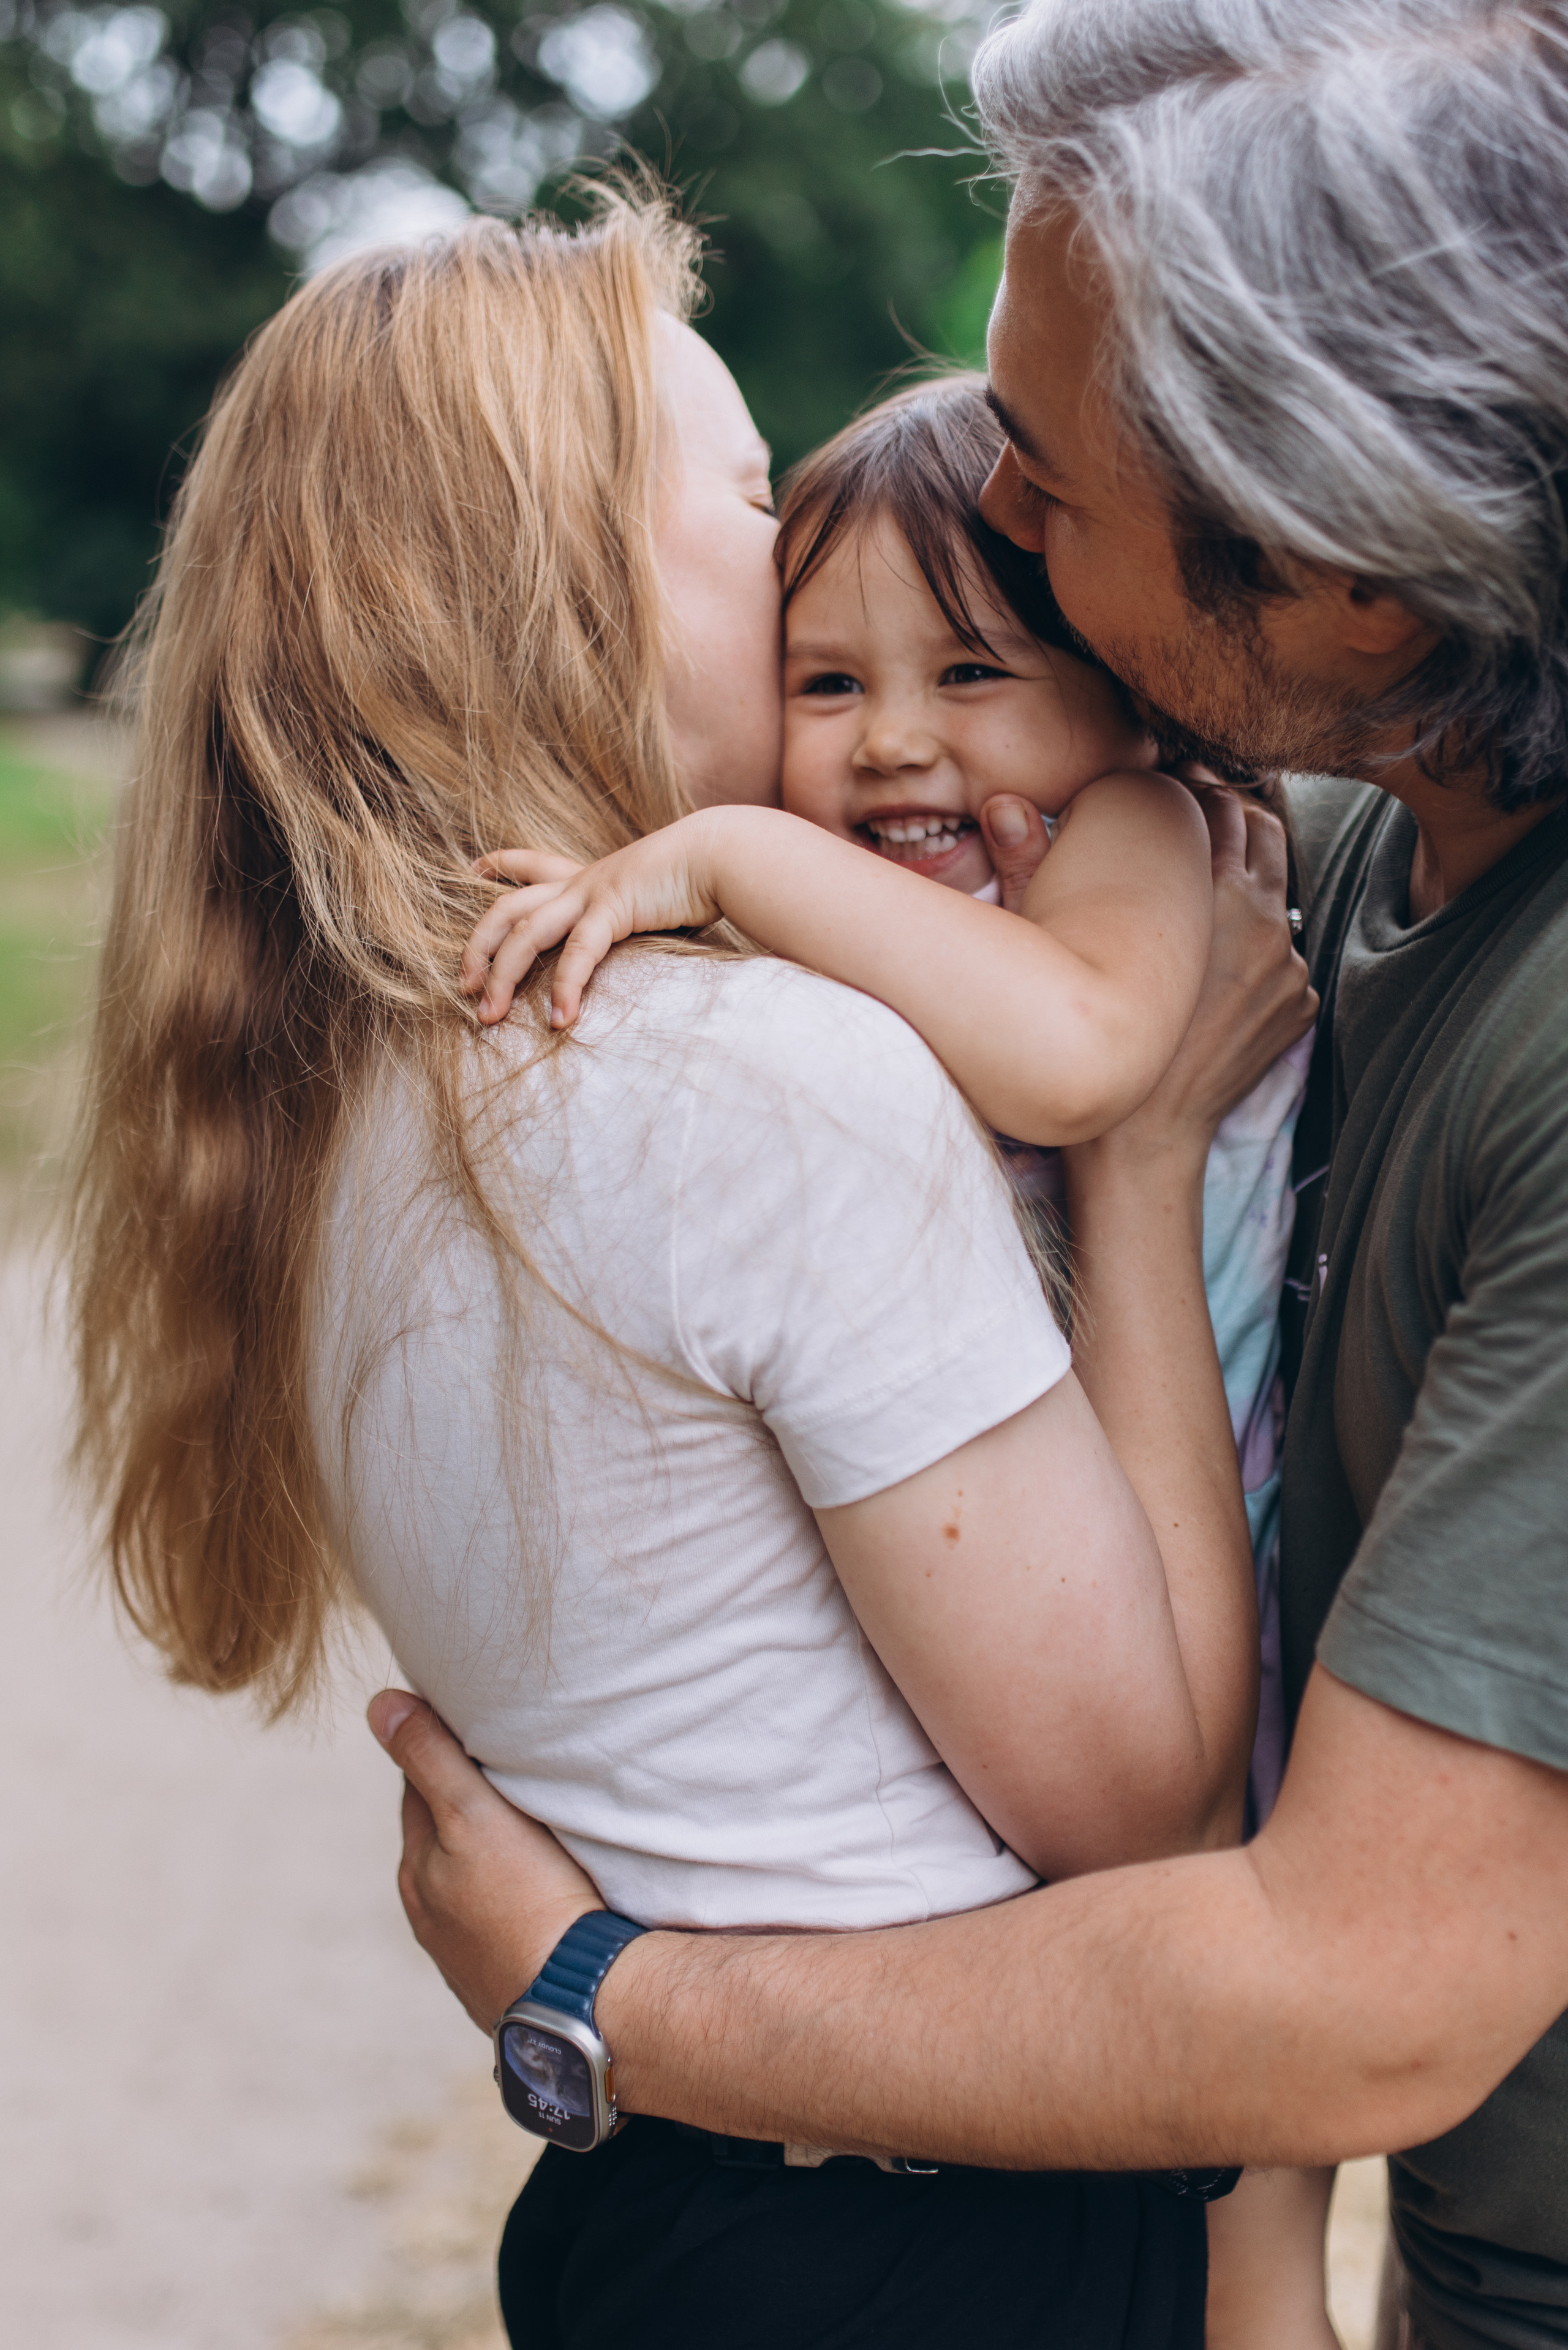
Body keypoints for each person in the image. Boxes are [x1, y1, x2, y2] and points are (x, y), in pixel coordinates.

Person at [374, 9, 1568, 2350]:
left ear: (1342, 576)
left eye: (1042, 476)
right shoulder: (1337, 857)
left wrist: (611, 1991)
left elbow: (1348, 1984)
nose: (983, 509)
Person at [64, 189, 1278, 2350]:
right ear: (565, 586)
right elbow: (1147, 1803)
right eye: (744, 497)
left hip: (655, 2205)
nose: (810, 538)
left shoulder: (346, 1081)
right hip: (931, 2242)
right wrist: (1156, 1155)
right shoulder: (753, 1081)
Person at [471, 369, 1330, 2343]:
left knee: (1247, 2206)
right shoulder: (924, 896)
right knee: (1189, 2173)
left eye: (972, 668)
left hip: (1224, 1570)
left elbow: (1074, 1055)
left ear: (1121, 687)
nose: (898, 745)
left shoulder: (1132, 831)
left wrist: (725, 861)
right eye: (830, 684)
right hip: (1083, 1558)